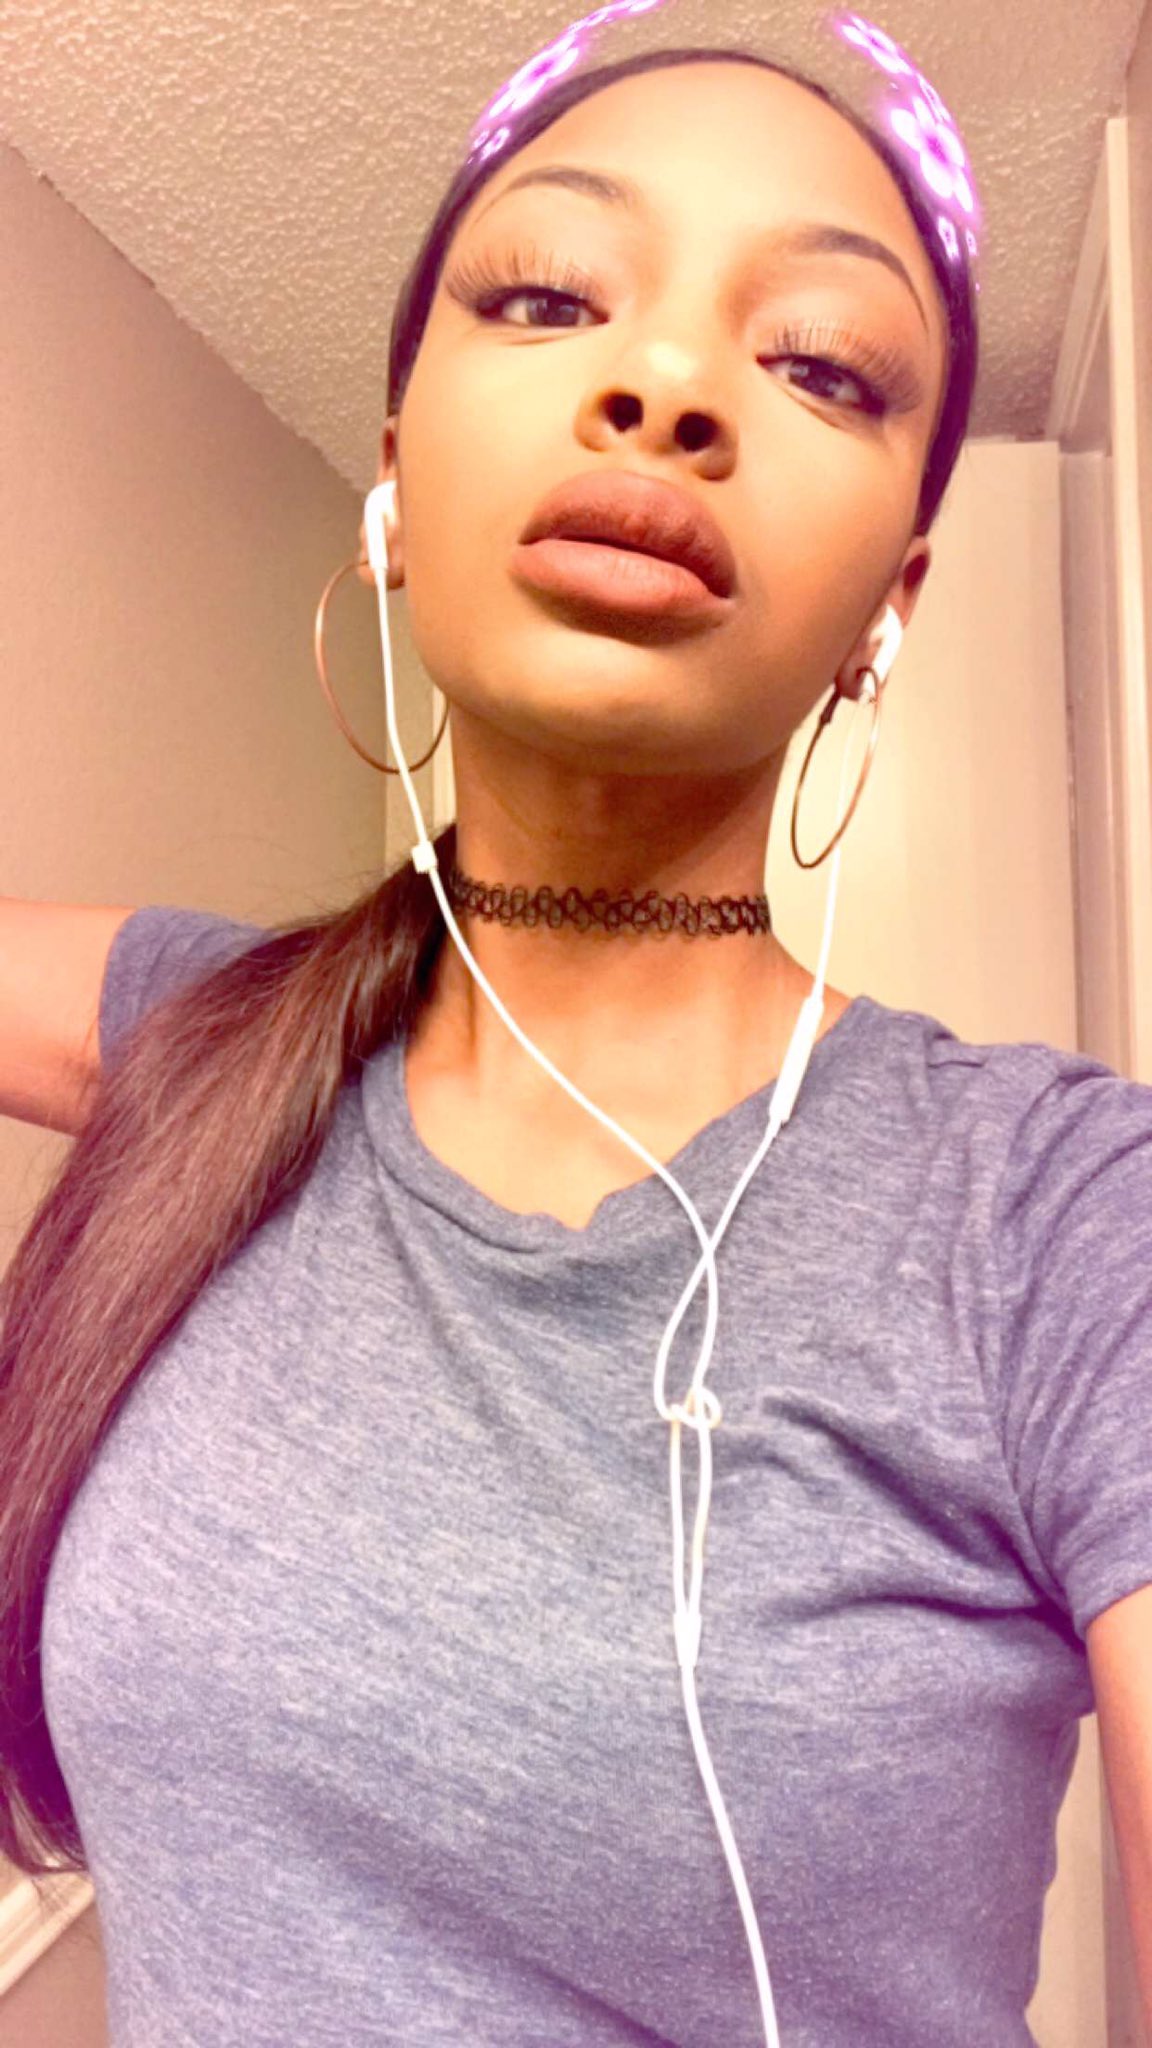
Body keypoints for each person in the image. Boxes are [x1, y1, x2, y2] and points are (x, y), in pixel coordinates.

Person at [4, 31, 1152, 2048]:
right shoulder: (211, 1043)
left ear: (889, 605)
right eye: (545, 297)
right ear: (392, 482)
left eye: (821, 365)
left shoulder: (1064, 1231)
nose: (668, 382)